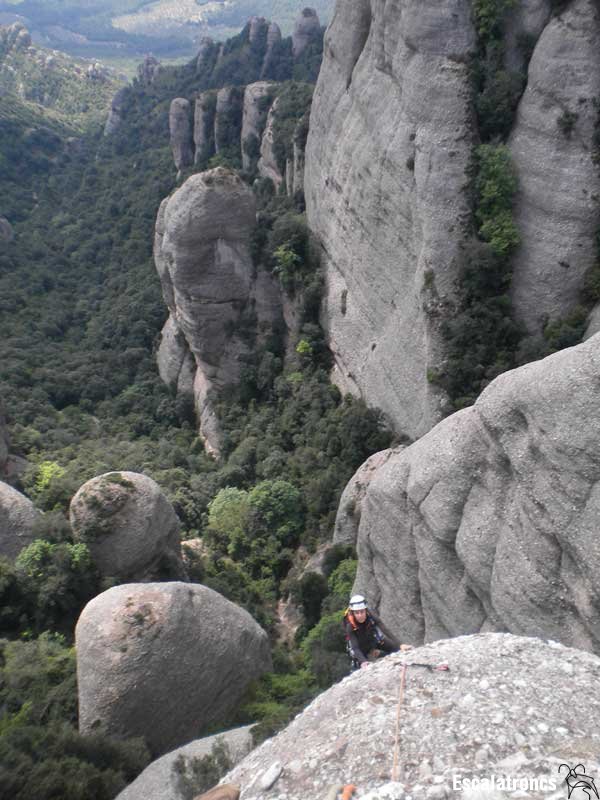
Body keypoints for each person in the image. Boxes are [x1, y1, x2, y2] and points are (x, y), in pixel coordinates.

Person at [342, 594, 410, 670]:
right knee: (359, 667)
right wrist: (364, 662)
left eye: (362, 612)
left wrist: (400, 644)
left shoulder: (370, 616)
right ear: (353, 613)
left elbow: (385, 629)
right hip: (360, 647)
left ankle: (378, 654)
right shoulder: (350, 626)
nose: (360, 615)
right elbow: (355, 647)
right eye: (357, 613)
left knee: (396, 648)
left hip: (372, 639)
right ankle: (375, 655)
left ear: (366, 610)